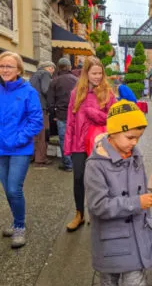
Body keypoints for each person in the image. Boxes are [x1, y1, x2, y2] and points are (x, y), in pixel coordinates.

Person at [84, 99, 152, 286]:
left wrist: (145, 201)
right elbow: (98, 206)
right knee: (110, 282)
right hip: (111, 238)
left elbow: (139, 187)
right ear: (113, 132)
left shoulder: (134, 155)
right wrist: (136, 203)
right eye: (130, 137)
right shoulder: (95, 165)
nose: (135, 142)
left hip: (136, 234)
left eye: (138, 137)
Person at [64, 57, 116, 232]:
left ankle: (97, 213)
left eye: (100, 73)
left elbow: (114, 119)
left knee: (98, 180)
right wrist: (68, 145)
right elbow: (70, 121)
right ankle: (79, 213)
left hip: (99, 143)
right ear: (86, 73)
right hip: (79, 143)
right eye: (94, 73)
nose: (97, 77)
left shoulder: (108, 93)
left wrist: (95, 114)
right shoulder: (76, 93)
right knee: (78, 178)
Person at [0, 52, 43, 248]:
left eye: (9, 66)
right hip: (1, 147)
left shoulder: (29, 91)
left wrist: (18, 138)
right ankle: (17, 219)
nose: (5, 70)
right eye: (2, 66)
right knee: (7, 190)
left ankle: (19, 226)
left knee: (13, 188)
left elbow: (36, 122)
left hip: (20, 148)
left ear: (18, 70)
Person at [47, 57, 78, 171]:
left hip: (61, 114)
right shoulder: (76, 80)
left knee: (64, 139)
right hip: (76, 114)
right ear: (70, 67)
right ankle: (76, 163)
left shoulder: (54, 81)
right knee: (75, 138)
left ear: (58, 67)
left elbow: (50, 100)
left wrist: (53, 114)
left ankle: (67, 164)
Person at [30, 61, 55, 165]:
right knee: (42, 133)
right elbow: (46, 90)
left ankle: (32, 156)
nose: (53, 71)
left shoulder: (33, 75)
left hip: (31, 107)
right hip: (41, 107)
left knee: (33, 133)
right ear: (49, 68)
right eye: (53, 68)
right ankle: (40, 158)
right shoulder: (45, 74)